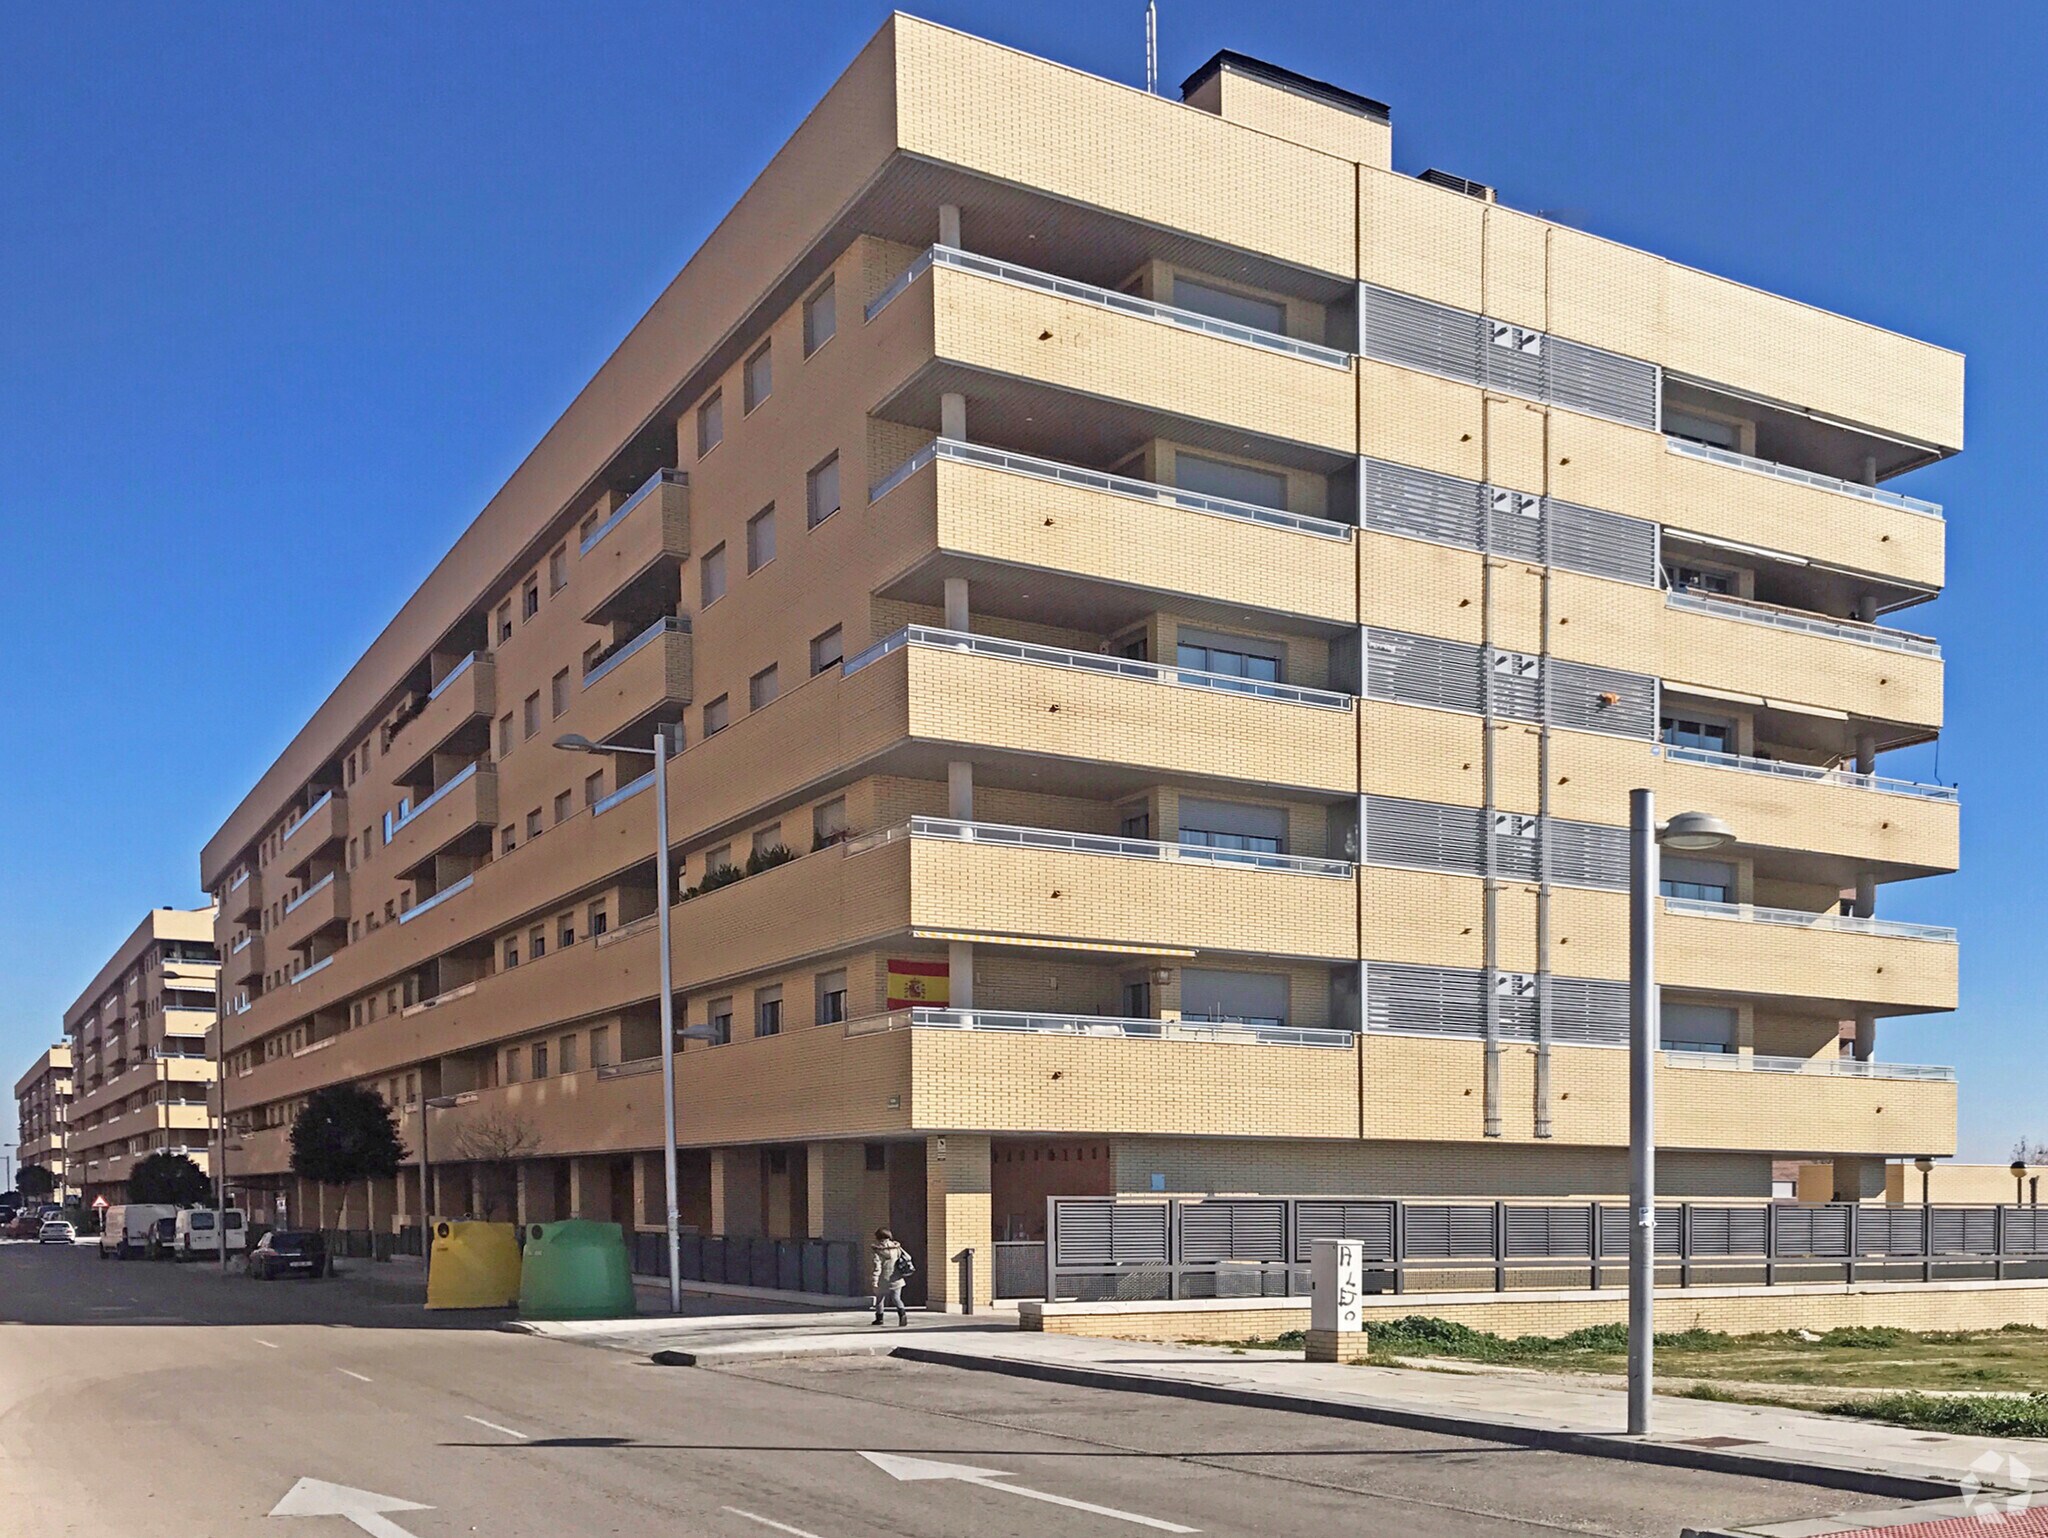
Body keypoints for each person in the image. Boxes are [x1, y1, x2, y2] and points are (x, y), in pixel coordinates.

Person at [869, 1227, 912, 1326]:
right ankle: (902, 1315)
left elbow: (877, 1267)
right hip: (897, 1277)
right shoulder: (896, 1247)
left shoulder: (877, 1251)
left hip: (883, 1278)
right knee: (896, 1298)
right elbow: (907, 1257)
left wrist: (874, 1281)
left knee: (880, 1299)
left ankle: (879, 1319)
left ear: (878, 1237)